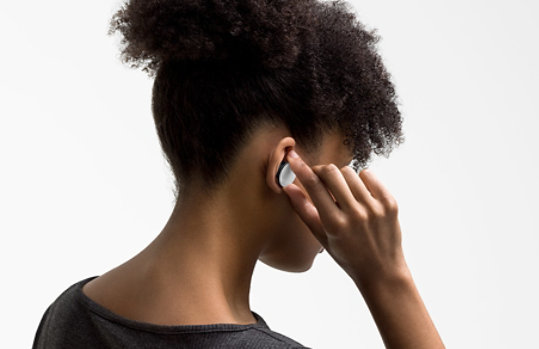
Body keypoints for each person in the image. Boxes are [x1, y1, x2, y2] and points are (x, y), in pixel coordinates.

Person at [33, 0, 445, 348]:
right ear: (287, 164)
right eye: (340, 169)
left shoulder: (65, 314)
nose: (344, 197)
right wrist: (388, 279)